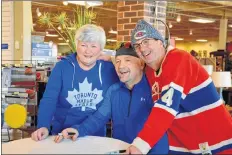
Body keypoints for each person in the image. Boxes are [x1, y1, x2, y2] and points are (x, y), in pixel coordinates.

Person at [125, 19, 232, 154]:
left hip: (215, 144)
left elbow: (166, 107)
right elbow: (127, 60)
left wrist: (140, 145)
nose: (142, 48)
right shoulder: (151, 69)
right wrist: (106, 58)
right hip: (185, 145)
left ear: (160, 42)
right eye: (137, 46)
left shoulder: (179, 59)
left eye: (146, 42)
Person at [54, 42, 169, 154]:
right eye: (117, 61)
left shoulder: (154, 90)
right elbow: (99, 118)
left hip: (147, 150)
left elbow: (160, 127)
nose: (121, 66)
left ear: (141, 64)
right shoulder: (114, 90)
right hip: (120, 149)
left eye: (128, 60)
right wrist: (78, 130)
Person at [31, 24, 119, 141]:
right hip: (62, 135)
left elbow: (134, 65)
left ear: (101, 49)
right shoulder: (62, 67)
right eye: (83, 45)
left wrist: (113, 58)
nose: (88, 51)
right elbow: (49, 99)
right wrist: (43, 126)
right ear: (76, 45)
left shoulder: (109, 70)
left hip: (95, 135)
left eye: (93, 46)